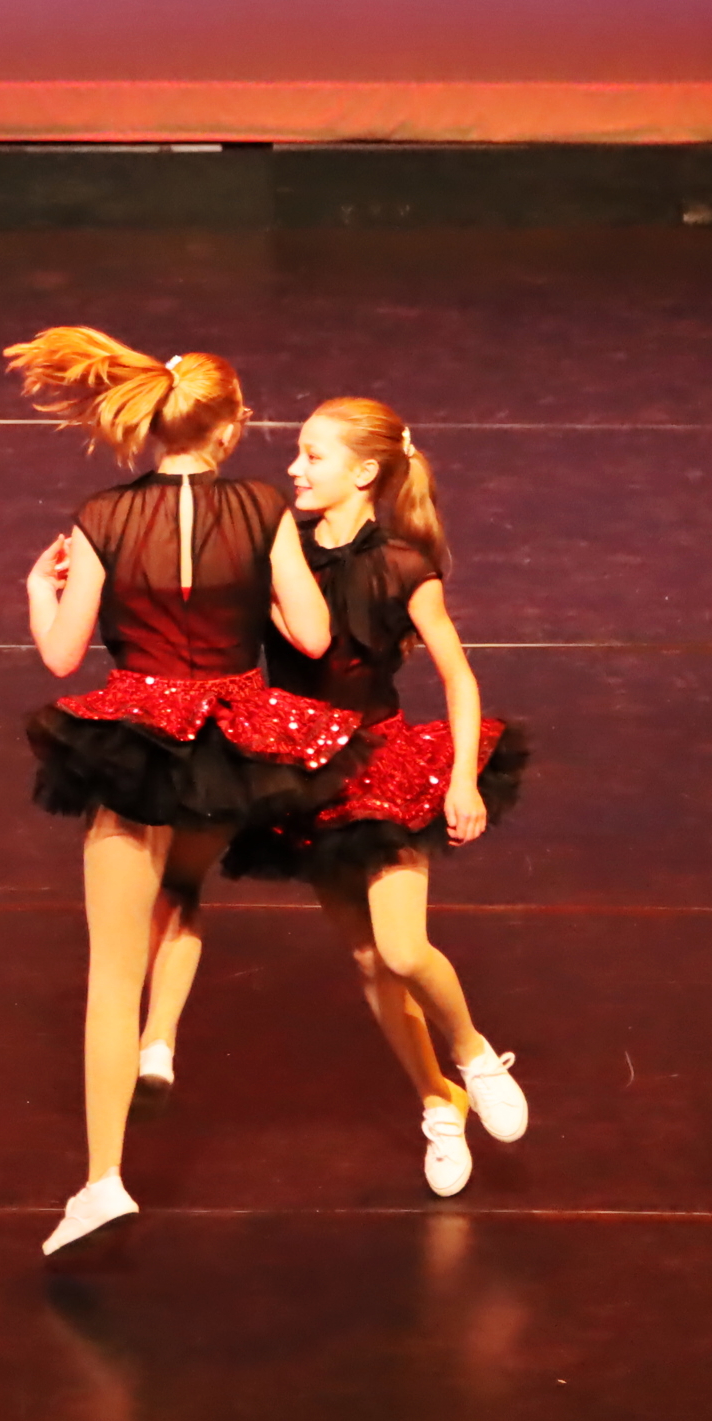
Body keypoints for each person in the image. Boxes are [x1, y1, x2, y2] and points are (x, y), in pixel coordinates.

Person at [7, 327, 361, 1255]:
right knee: (185, 891)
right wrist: (256, 596)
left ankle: (102, 1180)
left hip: (137, 741)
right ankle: (162, 1040)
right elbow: (312, 636)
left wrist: (37, 593)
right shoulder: (262, 508)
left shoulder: (103, 516)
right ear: (231, 426)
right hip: (234, 741)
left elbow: (60, 655)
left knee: (110, 969)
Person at [221, 396, 533, 1196]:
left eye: (312, 455)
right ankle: (438, 1100)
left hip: (383, 768)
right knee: (367, 961)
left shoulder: (403, 566)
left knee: (400, 949)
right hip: (300, 774)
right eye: (298, 452)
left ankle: (472, 1052)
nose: (294, 468)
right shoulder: (279, 556)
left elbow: (458, 678)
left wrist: (461, 779)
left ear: (364, 472)